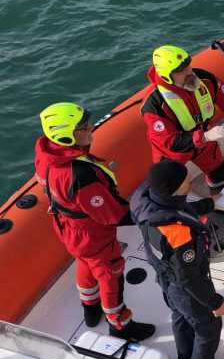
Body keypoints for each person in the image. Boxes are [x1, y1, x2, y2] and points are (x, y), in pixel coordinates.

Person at [34, 102, 155, 341]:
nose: (90, 129)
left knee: (85, 263)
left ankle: (90, 308)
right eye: (83, 128)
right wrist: (150, 214)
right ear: (66, 136)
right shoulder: (81, 175)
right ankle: (120, 324)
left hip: (68, 228)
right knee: (110, 274)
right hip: (93, 236)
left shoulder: (47, 156)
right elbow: (114, 215)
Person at [130, 160, 224, 359]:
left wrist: (207, 204)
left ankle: (185, 357)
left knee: (180, 317)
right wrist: (215, 303)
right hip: (182, 285)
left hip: (164, 278)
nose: (189, 181)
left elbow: (175, 210)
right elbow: (189, 277)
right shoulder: (178, 232)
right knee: (208, 327)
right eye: (186, 180)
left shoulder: (150, 202)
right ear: (176, 189)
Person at [141, 45, 224, 196]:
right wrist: (205, 136)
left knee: (217, 171)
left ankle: (220, 203)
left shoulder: (205, 80)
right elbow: (171, 143)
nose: (189, 71)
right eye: (181, 70)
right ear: (166, 76)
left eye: (187, 65)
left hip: (203, 139)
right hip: (173, 152)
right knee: (172, 186)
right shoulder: (155, 104)